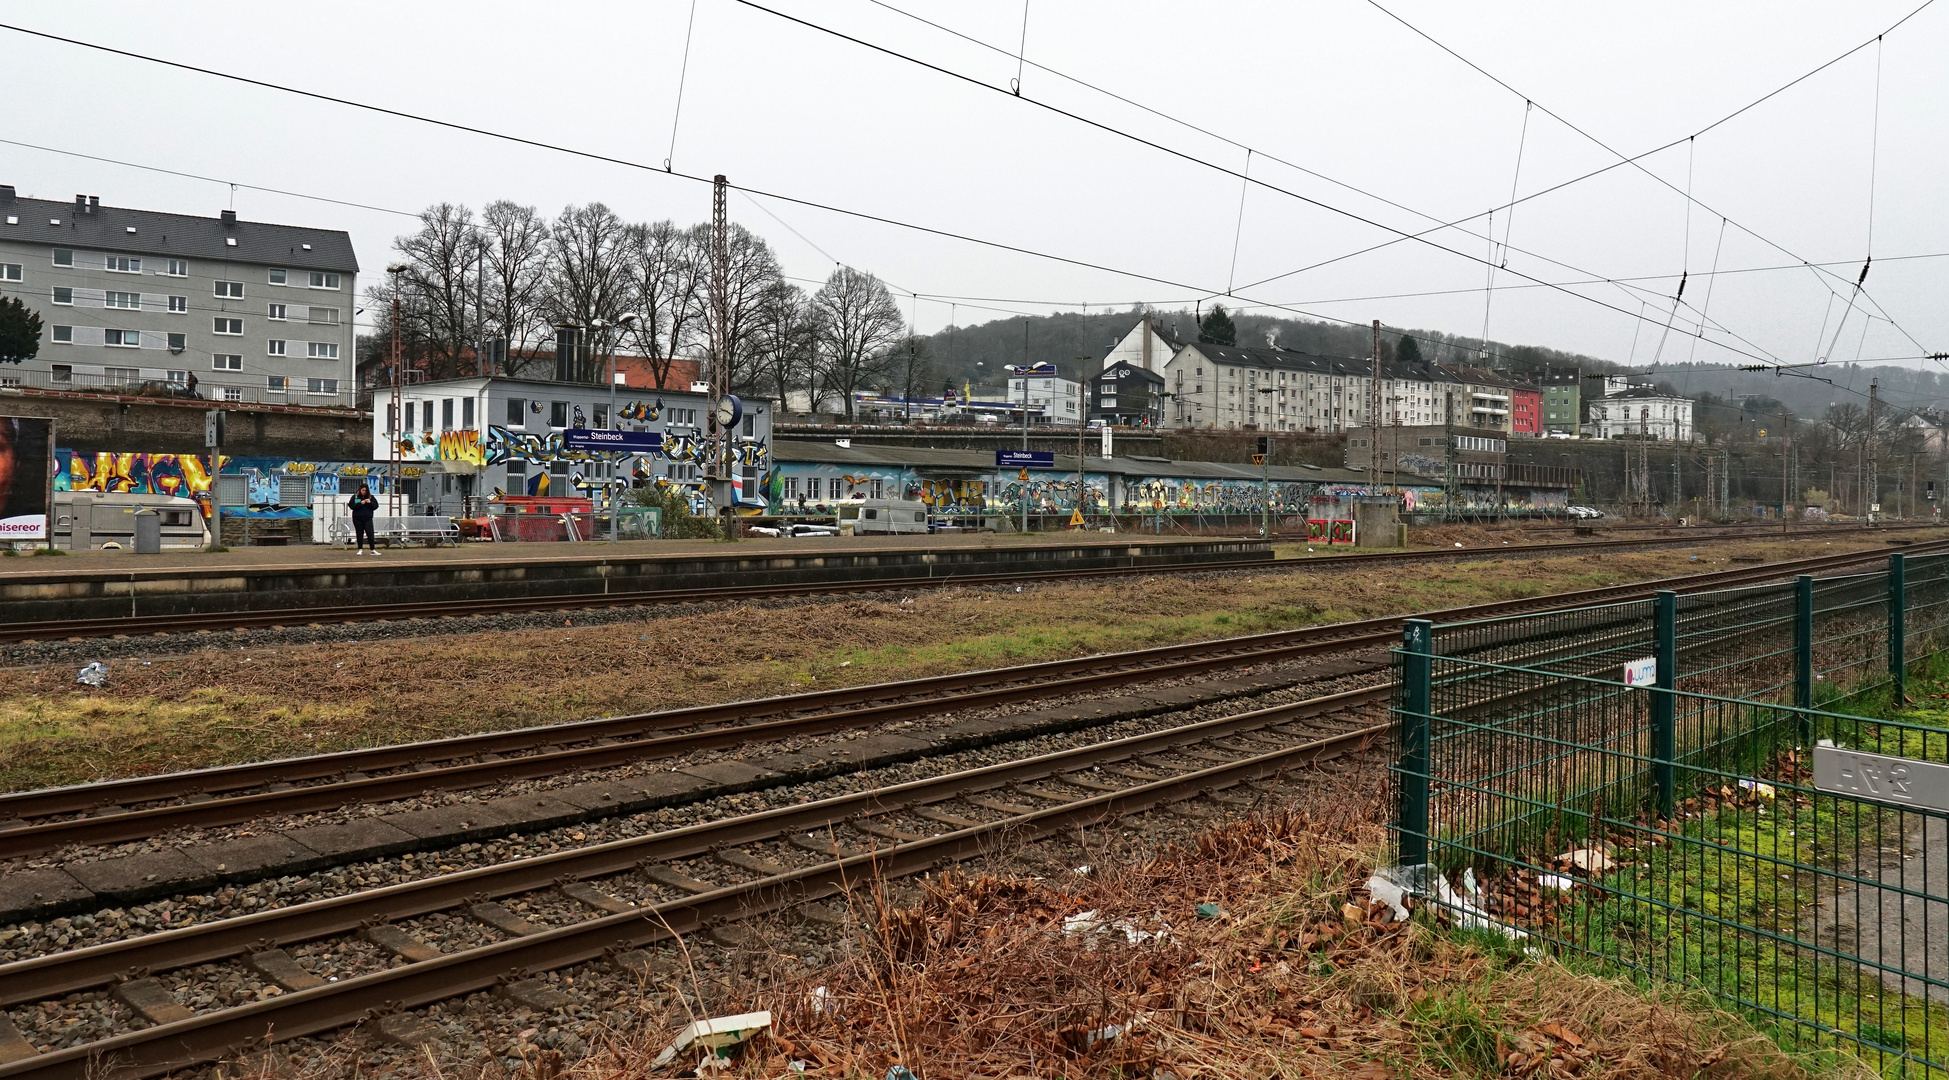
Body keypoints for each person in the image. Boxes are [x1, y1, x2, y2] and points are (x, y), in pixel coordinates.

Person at [349, 483, 380, 555]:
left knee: (370, 533)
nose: (364, 492)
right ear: (360, 490)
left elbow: (376, 506)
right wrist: (360, 503)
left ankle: (372, 549)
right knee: (359, 533)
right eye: (363, 490)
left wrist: (370, 503)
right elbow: (352, 505)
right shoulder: (356, 497)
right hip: (357, 518)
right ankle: (360, 549)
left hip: (368, 518)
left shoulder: (370, 497)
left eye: (365, 490)